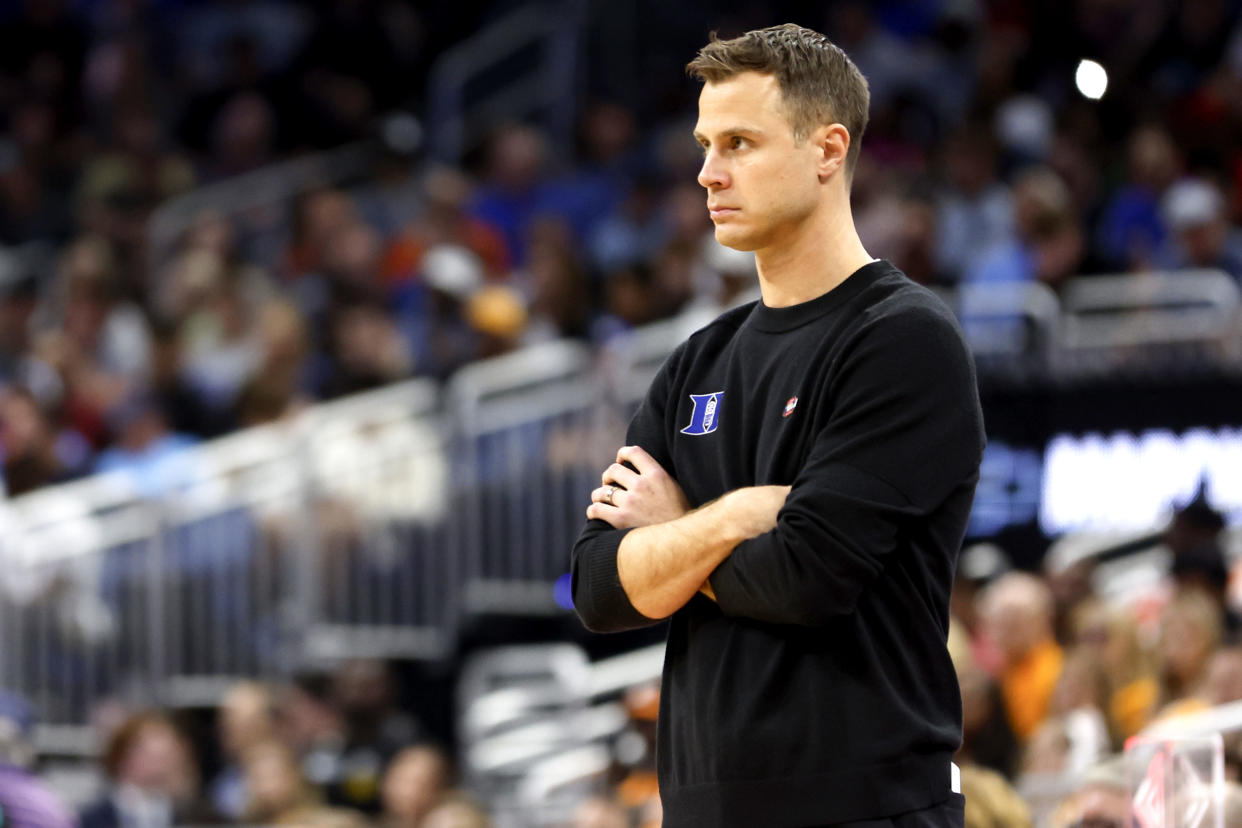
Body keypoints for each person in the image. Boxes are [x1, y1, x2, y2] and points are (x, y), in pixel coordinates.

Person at [570, 23, 984, 827]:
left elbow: (806, 576)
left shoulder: (902, 338)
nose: (706, 173)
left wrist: (674, 538)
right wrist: (726, 519)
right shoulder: (698, 359)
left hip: (865, 810)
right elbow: (598, 588)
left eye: (738, 143)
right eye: (703, 144)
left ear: (828, 151)